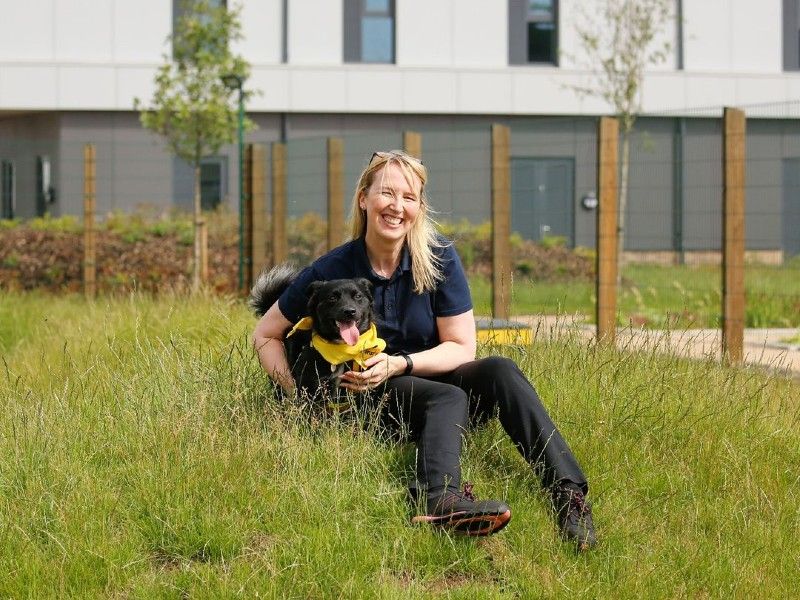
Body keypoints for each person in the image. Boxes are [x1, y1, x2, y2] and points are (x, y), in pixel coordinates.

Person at [252, 150, 596, 548]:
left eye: (409, 197)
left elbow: (463, 347)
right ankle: (441, 497)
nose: (397, 206)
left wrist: (401, 363)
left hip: (417, 373)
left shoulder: (438, 258)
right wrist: (299, 397)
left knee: (500, 368)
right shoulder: (333, 268)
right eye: (387, 193)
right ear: (364, 198)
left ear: (419, 206)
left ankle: (568, 495)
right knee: (447, 398)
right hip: (371, 397)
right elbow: (266, 334)